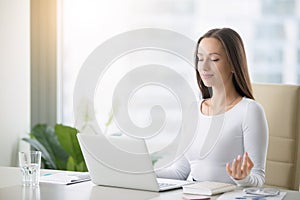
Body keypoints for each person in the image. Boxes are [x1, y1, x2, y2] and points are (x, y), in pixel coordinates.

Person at [156, 28, 268, 187]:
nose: (204, 67)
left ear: (233, 64)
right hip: (195, 195)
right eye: (200, 59)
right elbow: (180, 173)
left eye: (214, 59)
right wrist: (143, 171)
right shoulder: (192, 110)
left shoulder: (250, 111)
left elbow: (258, 178)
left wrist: (243, 178)